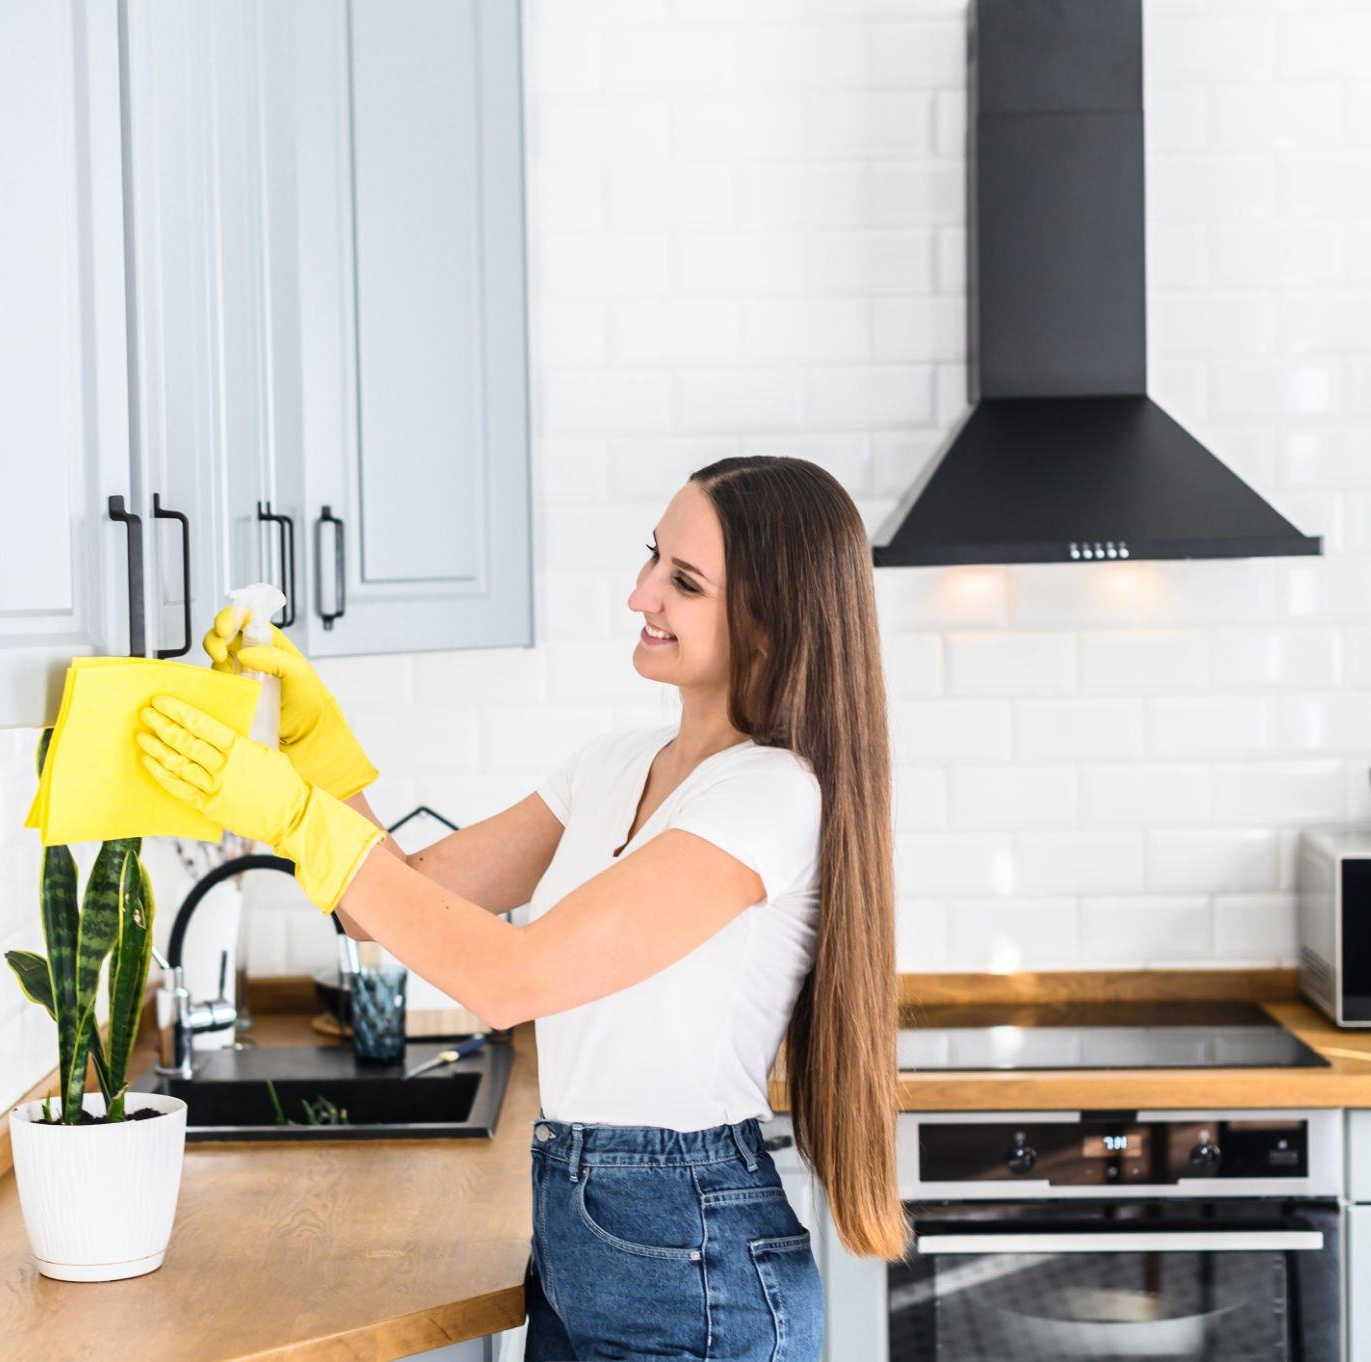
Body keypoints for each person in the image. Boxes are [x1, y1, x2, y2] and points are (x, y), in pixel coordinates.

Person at [135, 455, 910, 1360]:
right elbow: (389, 902)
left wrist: (294, 818)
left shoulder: (771, 797)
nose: (640, 595)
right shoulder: (615, 764)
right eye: (653, 558)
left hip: (695, 1262)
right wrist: (320, 752)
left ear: (772, 627)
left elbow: (510, 981)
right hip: (585, 1236)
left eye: (683, 582)